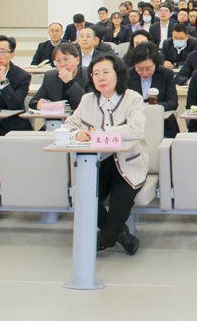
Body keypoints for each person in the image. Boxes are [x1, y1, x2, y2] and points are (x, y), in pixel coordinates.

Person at [63, 54, 146, 255]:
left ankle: (105, 238)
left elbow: (136, 130)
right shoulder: (88, 100)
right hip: (97, 162)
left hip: (128, 162)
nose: (101, 77)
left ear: (118, 74)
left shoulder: (133, 98)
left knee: (122, 197)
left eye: (106, 72)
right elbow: (69, 125)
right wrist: (77, 133)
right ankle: (121, 235)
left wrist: (100, 133)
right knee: (86, 194)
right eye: (96, 73)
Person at [127, 42, 180, 138]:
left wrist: (150, 107)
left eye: (148, 68)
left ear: (155, 64)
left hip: (163, 125)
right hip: (134, 126)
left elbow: (173, 103)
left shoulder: (166, 74)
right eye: (139, 69)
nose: (144, 73)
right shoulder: (127, 75)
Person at [29, 42, 90, 112]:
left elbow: (89, 103)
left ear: (77, 60)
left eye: (66, 59)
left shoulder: (89, 75)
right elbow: (33, 101)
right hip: (57, 118)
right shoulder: (50, 77)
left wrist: (70, 82)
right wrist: (38, 104)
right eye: (58, 61)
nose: (62, 64)